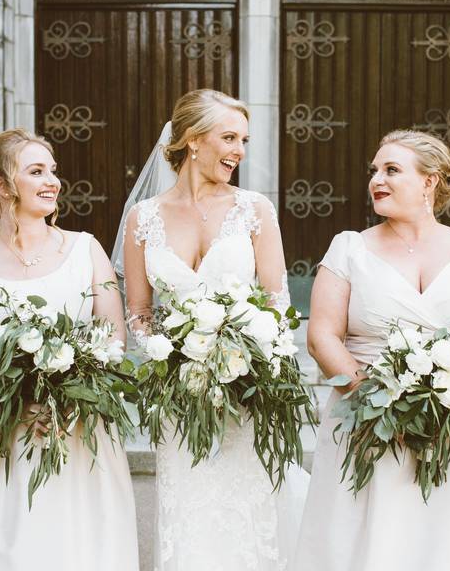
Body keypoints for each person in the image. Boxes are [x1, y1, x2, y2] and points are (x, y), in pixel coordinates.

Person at [291, 129, 450, 571]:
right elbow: (322, 337)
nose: (377, 179)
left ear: (430, 181)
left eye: (392, 170)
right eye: (374, 171)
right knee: (370, 541)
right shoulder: (349, 248)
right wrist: (379, 407)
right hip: (367, 423)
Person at [118, 89, 307, 570]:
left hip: (248, 390)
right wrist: (169, 353)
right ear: (191, 141)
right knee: (189, 507)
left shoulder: (254, 209)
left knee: (251, 507)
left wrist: (255, 356)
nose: (239, 151)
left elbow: (277, 301)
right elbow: (138, 311)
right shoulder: (143, 219)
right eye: (229, 137)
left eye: (243, 139)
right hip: (181, 396)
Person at [0, 128, 139, 571]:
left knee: (80, 544)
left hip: (78, 429)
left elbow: (112, 336)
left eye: (53, 170)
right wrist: (14, 404)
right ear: (2, 185)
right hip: (1, 435)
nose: (53, 181)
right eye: (36, 171)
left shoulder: (87, 250)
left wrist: (71, 395)